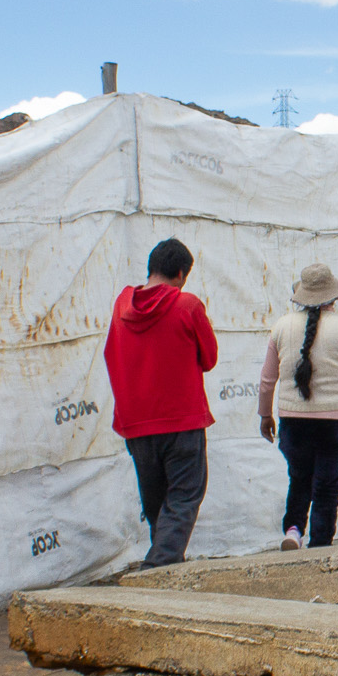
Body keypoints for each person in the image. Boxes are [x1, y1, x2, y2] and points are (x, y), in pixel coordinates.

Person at [102, 237, 217, 568]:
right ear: (181, 274)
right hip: (182, 420)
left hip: (136, 422)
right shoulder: (187, 306)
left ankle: (165, 566)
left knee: (156, 503)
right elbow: (208, 358)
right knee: (183, 497)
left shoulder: (121, 307)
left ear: (151, 268)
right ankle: (158, 568)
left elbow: (112, 355)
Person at [258, 262, 338, 550]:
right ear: (334, 296)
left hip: (293, 422)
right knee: (326, 490)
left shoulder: (280, 327)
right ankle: (320, 546)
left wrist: (265, 415)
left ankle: (293, 530)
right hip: (336, 425)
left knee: (299, 479)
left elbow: (266, 380)